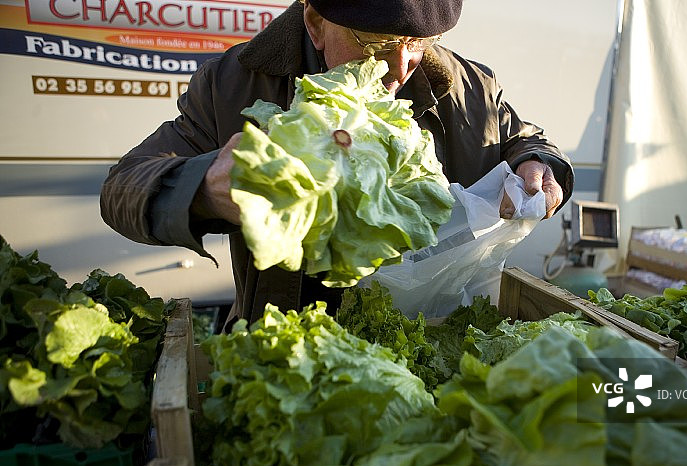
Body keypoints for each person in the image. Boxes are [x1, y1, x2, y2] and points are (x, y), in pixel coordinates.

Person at [100, 0, 574, 327]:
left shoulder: (471, 87)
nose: (400, 66)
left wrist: (540, 165)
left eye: (418, 41)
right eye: (376, 43)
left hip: (424, 342)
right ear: (314, 21)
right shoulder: (236, 84)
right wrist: (201, 188)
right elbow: (123, 186)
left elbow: (525, 141)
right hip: (284, 349)